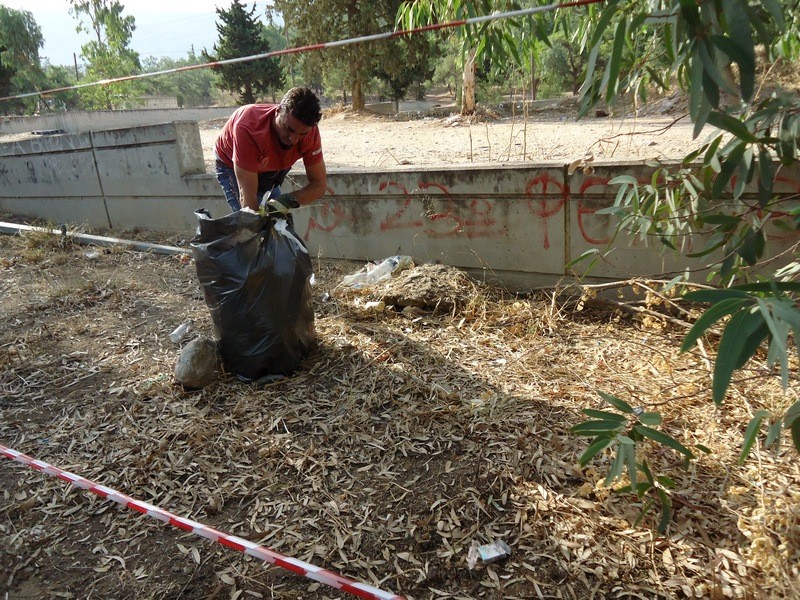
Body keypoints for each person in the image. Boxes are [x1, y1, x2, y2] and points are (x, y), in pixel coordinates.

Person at [214, 86, 327, 214]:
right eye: (289, 129)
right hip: (232, 163)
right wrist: (255, 221)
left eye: (302, 134)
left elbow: (319, 185)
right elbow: (248, 199)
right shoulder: (248, 128)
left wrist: (285, 201)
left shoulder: (310, 133)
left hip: (268, 166)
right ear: (278, 111)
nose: (294, 140)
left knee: (279, 224)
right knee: (251, 225)